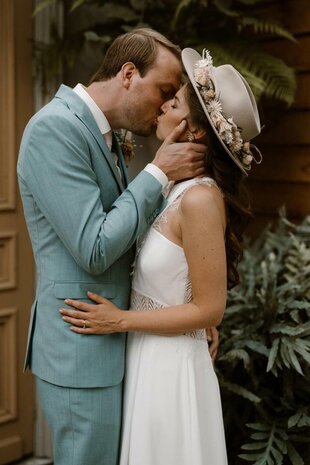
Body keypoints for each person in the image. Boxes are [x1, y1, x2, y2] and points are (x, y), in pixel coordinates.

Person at [17, 29, 212, 465]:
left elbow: (132, 237)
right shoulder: (55, 129)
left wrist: (189, 308)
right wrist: (158, 173)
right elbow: (96, 246)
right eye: (164, 90)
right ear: (128, 74)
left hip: (120, 342)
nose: (166, 106)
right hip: (81, 351)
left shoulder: (109, 134)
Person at [59, 47, 262, 464]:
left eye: (176, 100)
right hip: (148, 357)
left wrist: (119, 320)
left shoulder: (201, 199)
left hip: (171, 369)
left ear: (198, 131)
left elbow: (210, 309)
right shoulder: (171, 186)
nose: (165, 103)